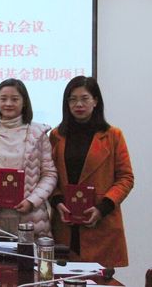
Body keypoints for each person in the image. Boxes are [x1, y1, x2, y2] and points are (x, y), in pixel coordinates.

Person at [49, 76, 134, 268]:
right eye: (72, 99)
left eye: (84, 98)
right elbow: (49, 175)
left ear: (95, 101)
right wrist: (57, 201)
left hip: (100, 222)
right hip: (65, 224)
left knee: (99, 279)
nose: (78, 104)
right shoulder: (56, 135)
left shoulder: (113, 135)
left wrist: (103, 208)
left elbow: (126, 178)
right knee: (63, 276)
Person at [0, 78, 57, 237]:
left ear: (24, 102)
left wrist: (32, 201)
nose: (8, 103)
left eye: (14, 99)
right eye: (3, 99)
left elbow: (49, 174)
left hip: (32, 218)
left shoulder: (39, 133)